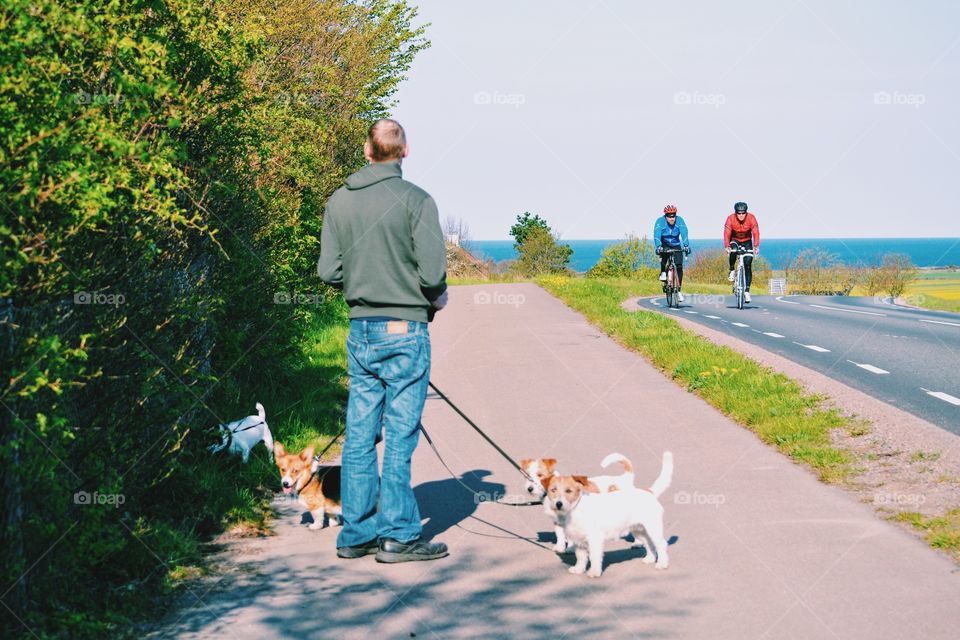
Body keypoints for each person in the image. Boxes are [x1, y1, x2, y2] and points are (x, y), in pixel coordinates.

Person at [317, 119, 450, 563]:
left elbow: (328, 272)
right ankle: (399, 535)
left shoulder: (339, 200)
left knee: (358, 432)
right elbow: (432, 275)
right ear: (405, 151)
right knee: (399, 433)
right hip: (406, 330)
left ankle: (356, 532)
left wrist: (362, 280)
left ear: (366, 150)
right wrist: (427, 299)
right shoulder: (417, 201)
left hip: (361, 330)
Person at [723, 201, 760, 303]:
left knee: (748, 264)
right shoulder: (730, 218)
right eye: (739, 213)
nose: (741, 215)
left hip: (747, 241)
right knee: (733, 251)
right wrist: (727, 246)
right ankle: (731, 270)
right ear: (735, 213)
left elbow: (756, 233)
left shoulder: (751, 218)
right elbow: (726, 234)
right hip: (734, 239)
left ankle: (747, 291)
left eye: (743, 213)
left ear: (746, 213)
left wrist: (756, 246)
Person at [654, 204, 691, 302]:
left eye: (673, 216)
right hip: (664, 244)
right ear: (665, 216)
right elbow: (656, 234)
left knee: (679, 266)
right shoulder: (660, 222)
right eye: (669, 216)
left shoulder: (680, 221)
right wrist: (658, 246)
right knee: (664, 256)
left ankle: (678, 291)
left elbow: (684, 232)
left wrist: (686, 245)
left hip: (676, 244)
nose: (672, 218)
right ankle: (663, 272)